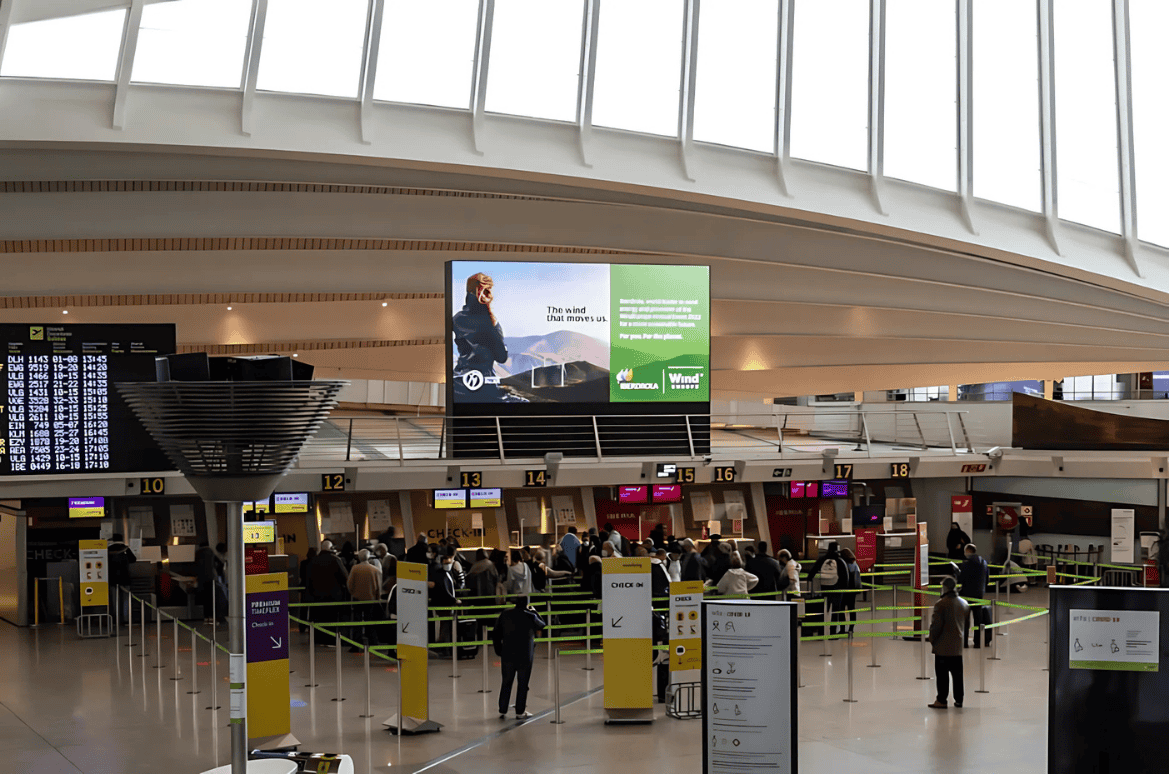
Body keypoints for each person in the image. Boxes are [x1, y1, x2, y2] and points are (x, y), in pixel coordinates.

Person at [452, 272, 515, 402]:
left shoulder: (456, 319)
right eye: (487, 290)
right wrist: (490, 316)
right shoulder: (489, 322)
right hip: (486, 387)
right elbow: (501, 357)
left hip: (458, 384)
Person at [492, 596, 546, 720]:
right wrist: (534, 611)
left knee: (506, 681)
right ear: (527, 604)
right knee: (523, 683)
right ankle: (520, 711)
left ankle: (503, 708)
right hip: (525, 655)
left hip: (507, 653)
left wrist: (498, 649)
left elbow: (496, 633)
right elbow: (542, 625)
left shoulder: (505, 614)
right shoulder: (530, 616)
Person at [927, 576, 970, 709]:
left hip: (942, 646)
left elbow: (936, 626)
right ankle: (959, 700)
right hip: (957, 646)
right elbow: (967, 625)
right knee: (958, 675)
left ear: (945, 588)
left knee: (942, 675)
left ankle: (941, 699)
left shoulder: (941, 604)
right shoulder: (964, 603)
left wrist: (932, 640)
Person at [305, 540, 349, 643]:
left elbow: (308, 580)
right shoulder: (336, 560)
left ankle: (318, 639)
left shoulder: (313, 561)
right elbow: (345, 577)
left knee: (318, 620)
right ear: (330, 549)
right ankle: (330, 640)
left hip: (316, 597)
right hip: (333, 597)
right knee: (331, 621)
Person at [806, 542, 848, 635]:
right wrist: (844, 588)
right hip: (837, 588)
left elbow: (811, 573)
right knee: (835, 611)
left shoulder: (822, 559)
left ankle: (821, 632)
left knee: (822, 610)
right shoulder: (840, 560)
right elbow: (845, 576)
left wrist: (810, 580)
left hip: (824, 587)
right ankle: (832, 633)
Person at [346, 550, 383, 650]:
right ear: (369, 557)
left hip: (358, 599)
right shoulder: (375, 570)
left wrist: (353, 593)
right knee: (370, 622)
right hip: (371, 600)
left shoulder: (355, 568)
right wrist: (377, 598)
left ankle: (356, 645)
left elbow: (349, 585)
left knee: (357, 623)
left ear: (359, 558)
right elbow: (379, 588)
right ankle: (373, 643)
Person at [958, 544, 992, 647]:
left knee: (965, 620)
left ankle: (964, 642)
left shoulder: (965, 564)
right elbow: (987, 580)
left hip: (966, 595)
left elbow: (961, 580)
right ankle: (978, 642)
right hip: (979, 595)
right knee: (978, 619)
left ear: (967, 551)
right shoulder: (984, 563)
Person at [108, 533, 136, 624]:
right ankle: (126, 619)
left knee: (114, 599)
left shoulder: (109, 549)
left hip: (113, 579)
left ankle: (115, 619)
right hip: (125, 578)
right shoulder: (126, 549)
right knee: (125, 600)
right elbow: (133, 559)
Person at [836, 548, 863, 635]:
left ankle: (842, 629)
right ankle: (851, 629)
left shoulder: (842, 564)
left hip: (844, 589)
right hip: (852, 590)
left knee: (841, 609)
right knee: (852, 608)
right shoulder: (855, 565)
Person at [193, 541, 220, 624]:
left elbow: (195, 566)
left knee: (205, 599)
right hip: (210, 578)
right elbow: (218, 563)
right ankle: (212, 617)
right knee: (211, 599)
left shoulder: (197, 553)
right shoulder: (211, 552)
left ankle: (206, 618)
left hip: (201, 579)